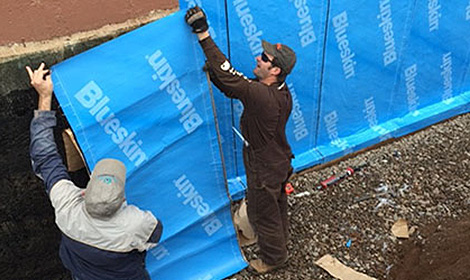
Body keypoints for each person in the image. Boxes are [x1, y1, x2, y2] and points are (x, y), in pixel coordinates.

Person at [185, 6, 296, 274]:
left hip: (264, 167)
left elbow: (230, 76)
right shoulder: (279, 92)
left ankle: (273, 258)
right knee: (277, 204)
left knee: (261, 212)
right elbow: (235, 87)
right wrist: (214, 74)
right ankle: (281, 244)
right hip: (279, 161)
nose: (258, 58)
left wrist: (203, 34)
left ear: (275, 70)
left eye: (265, 58)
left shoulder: (262, 95)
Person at [27, 63, 163, 280]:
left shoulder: (67, 206)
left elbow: (44, 156)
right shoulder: (135, 224)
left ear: (85, 191)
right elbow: (155, 232)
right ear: (122, 200)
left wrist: (44, 96)